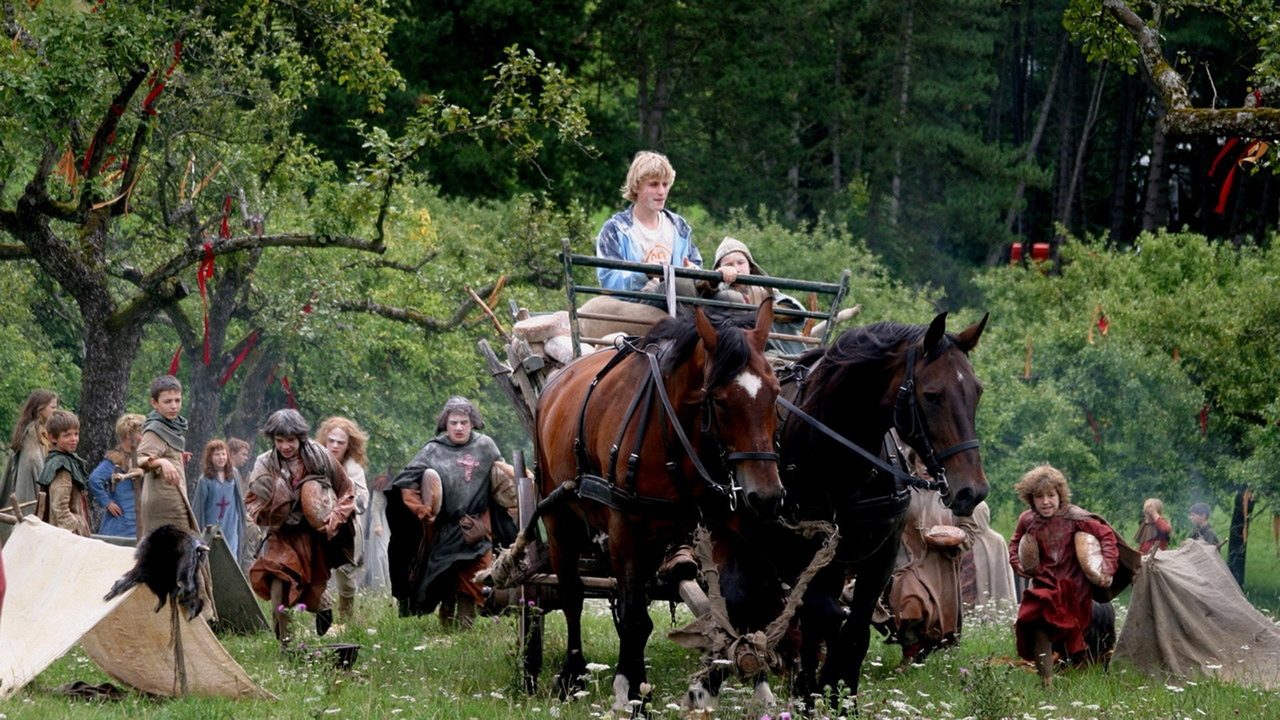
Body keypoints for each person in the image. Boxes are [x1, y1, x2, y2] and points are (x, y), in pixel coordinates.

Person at [388, 397, 518, 627]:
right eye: (454, 422)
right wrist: (422, 509)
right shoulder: (433, 450)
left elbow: (502, 478)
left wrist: (510, 504)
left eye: (464, 422)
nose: (459, 427)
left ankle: (465, 625)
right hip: (445, 528)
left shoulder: (486, 446)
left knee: (474, 577)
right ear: (445, 425)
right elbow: (406, 483)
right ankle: (447, 621)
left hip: (477, 528)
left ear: (472, 423)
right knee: (444, 577)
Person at [244, 409, 355, 645]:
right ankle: (286, 645)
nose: (285, 446)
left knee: (311, 590)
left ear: (300, 438)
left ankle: (322, 605)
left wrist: (333, 517)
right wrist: (264, 511)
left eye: (290, 440)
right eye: (280, 440)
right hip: (281, 534)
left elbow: (346, 490)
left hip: (312, 535)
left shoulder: (320, 456)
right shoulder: (264, 463)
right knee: (278, 586)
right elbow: (252, 499)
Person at [1008, 465, 1119, 686]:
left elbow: (1106, 535)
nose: (1046, 501)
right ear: (1031, 498)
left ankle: (1083, 668)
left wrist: (1106, 567)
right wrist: (1018, 563)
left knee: (1070, 636)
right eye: (1039, 497)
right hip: (1043, 588)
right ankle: (1047, 684)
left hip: (1073, 590)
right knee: (1035, 624)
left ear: (1060, 495)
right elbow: (1015, 544)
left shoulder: (1076, 517)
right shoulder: (1027, 520)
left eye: (1051, 495)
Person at [595, 150, 702, 296]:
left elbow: (698, 268)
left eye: (665, 184)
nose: (661, 192)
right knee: (679, 286)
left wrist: (692, 272)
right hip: (634, 304)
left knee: (729, 297)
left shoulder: (679, 226)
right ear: (636, 186)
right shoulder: (615, 229)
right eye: (653, 184)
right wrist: (644, 274)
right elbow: (609, 281)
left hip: (679, 302)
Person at [697, 236, 808, 355]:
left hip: (781, 353)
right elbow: (703, 292)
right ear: (719, 268)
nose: (736, 268)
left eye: (740, 262)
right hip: (738, 352)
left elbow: (799, 313)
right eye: (729, 264)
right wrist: (717, 277)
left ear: (750, 266)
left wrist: (767, 309)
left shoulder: (765, 290)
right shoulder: (717, 291)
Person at [315, 416, 370, 623]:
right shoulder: (315, 462)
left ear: (349, 445)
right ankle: (323, 616)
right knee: (316, 571)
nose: (335, 446)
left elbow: (362, 500)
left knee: (345, 577)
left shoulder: (353, 468)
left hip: (346, 529)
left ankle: (346, 619)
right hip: (319, 527)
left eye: (341, 442)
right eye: (332, 441)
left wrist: (343, 507)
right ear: (325, 440)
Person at [135, 375, 198, 537]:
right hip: (165, 504)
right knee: (180, 549)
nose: (174, 406)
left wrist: (175, 458)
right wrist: (163, 462)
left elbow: (164, 450)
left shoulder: (171, 427)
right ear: (154, 403)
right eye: (168, 401)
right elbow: (141, 459)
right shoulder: (155, 429)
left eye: (177, 400)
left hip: (173, 496)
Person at [34, 409, 91, 536]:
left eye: (76, 434)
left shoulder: (67, 460)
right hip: (66, 533)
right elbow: (60, 508)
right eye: (67, 435)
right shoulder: (62, 467)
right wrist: (75, 533)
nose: (74, 439)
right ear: (52, 438)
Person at [86, 413, 144, 538]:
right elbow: (94, 479)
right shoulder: (115, 460)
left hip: (137, 521)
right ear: (129, 435)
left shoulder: (140, 457)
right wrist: (107, 503)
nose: (142, 437)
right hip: (122, 523)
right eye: (140, 433)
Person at [2, 389, 58, 507]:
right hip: (29, 497)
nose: (55, 411)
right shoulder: (32, 434)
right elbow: (32, 462)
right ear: (40, 409)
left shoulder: (42, 432)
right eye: (52, 407)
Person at [193, 439, 247, 559]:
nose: (221, 457)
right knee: (213, 558)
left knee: (231, 556)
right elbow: (199, 508)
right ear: (210, 457)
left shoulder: (234, 474)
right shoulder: (205, 480)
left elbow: (239, 501)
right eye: (217, 455)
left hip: (231, 524)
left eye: (223, 454)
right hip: (212, 526)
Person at [959, 501, 1018, 610]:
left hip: (989, 603)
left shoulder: (996, 541)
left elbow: (1003, 576)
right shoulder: (961, 540)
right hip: (964, 599)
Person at [363, 470, 392, 593]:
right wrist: (378, 525)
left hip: (394, 521)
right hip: (382, 522)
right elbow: (375, 507)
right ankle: (383, 588)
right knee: (382, 554)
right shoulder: (382, 481)